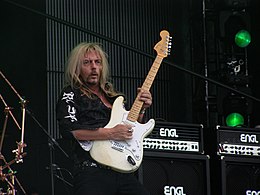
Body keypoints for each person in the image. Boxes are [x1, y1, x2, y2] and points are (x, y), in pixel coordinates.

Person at [56, 42, 152, 195]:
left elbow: (130, 131)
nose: (93, 67)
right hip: (92, 171)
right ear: (77, 68)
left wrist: (141, 110)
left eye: (97, 62)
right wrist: (110, 133)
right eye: (87, 63)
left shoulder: (113, 97)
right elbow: (68, 130)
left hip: (122, 171)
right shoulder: (71, 93)